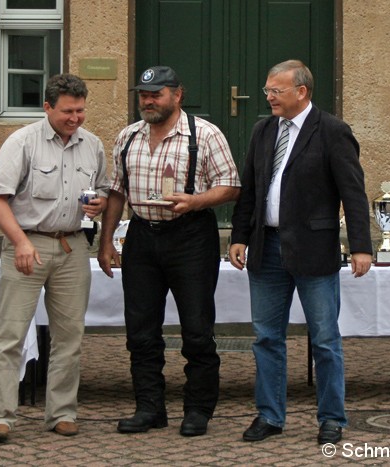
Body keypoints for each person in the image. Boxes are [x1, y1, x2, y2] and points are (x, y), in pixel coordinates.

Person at [229, 60, 372, 445]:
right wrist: (238, 236)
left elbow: (353, 193)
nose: (269, 97)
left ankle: (331, 419)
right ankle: (270, 416)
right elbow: (250, 189)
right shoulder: (263, 130)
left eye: (276, 90)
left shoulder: (332, 131)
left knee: (325, 339)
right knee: (266, 337)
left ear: (302, 92)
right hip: (266, 248)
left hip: (313, 250)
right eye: (267, 91)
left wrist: (361, 246)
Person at [98, 66, 240, 437]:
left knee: (196, 329)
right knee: (141, 331)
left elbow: (230, 186)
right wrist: (106, 241)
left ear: (177, 95)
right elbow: (116, 192)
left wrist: (195, 201)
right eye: (143, 94)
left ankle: (197, 410)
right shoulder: (127, 137)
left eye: (156, 94)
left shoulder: (204, 135)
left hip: (191, 237)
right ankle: (149, 408)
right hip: (142, 237)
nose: (147, 100)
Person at [0, 74, 109, 441]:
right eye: (68, 111)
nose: (75, 118)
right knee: (10, 334)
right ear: (48, 107)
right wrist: (20, 242)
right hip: (28, 245)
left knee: (70, 337)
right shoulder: (22, 142)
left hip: (72, 247)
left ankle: (62, 412)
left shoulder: (93, 145)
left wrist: (98, 204)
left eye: (81, 110)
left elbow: (99, 190)